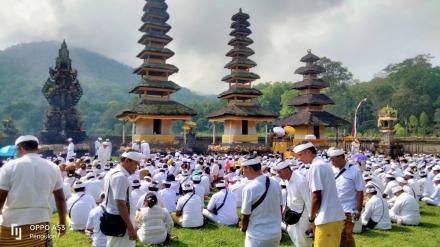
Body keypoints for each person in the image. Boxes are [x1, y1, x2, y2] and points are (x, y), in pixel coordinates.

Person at [0, 135, 67, 246]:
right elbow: (60, 198)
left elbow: (1, 198)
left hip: (12, 223)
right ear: (37, 148)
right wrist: (62, 223)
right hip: (40, 223)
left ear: (20, 148)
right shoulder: (53, 167)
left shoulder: (9, 167)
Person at [293, 142, 345, 247]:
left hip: (328, 217)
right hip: (331, 216)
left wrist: (311, 218)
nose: (299, 158)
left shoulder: (316, 166)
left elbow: (316, 195)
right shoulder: (322, 164)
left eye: (300, 155)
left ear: (308, 152)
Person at [240, 156, 282, 247]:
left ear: (249, 168)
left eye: (243, 169)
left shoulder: (249, 188)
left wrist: (243, 228)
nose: (243, 172)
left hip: (257, 236)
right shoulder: (276, 183)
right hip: (275, 233)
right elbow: (280, 207)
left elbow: (245, 215)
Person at [103, 151, 142, 247]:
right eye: (136, 164)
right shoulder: (120, 176)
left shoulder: (113, 172)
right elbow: (120, 203)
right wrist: (129, 226)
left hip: (116, 218)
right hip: (121, 220)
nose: (136, 167)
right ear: (127, 161)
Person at [328, 147, 364, 247]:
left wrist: (358, 209)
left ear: (341, 157)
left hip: (349, 209)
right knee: (336, 234)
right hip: (335, 208)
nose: (332, 162)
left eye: (334, 160)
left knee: (346, 235)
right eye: (331, 160)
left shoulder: (354, 171)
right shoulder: (332, 170)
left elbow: (360, 191)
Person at [274, 160, 312, 247]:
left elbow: (308, 200)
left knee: (302, 240)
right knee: (293, 235)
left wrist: (311, 220)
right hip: (291, 214)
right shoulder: (287, 180)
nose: (278, 174)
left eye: (280, 172)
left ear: (287, 170)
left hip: (303, 215)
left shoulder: (300, 181)